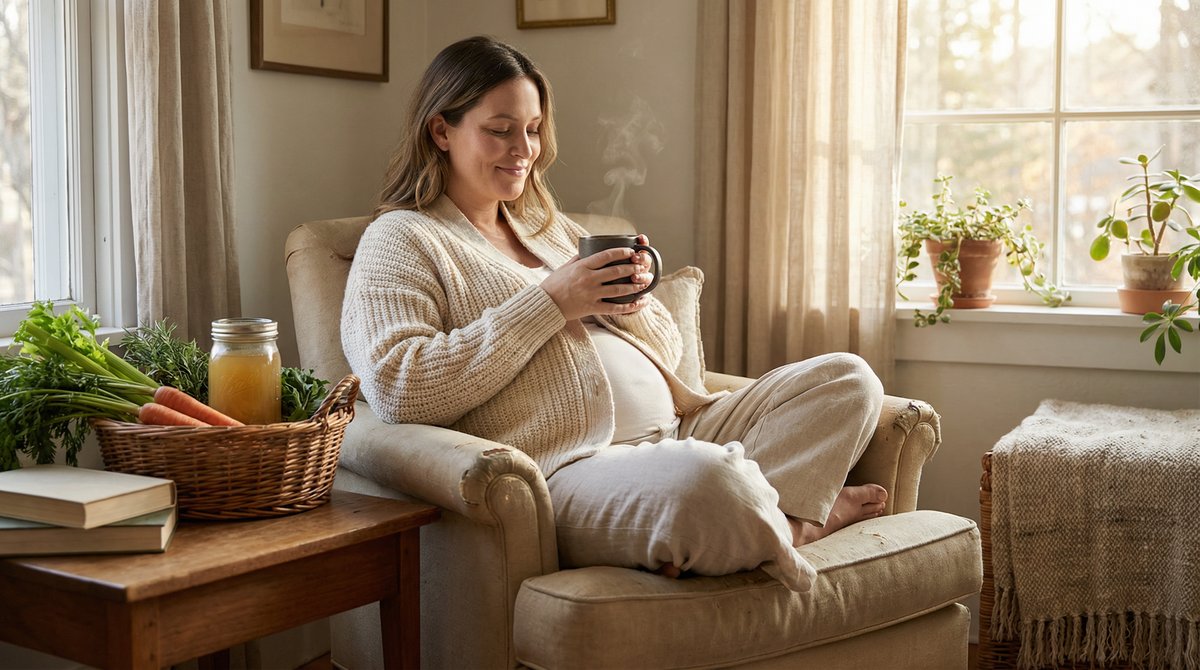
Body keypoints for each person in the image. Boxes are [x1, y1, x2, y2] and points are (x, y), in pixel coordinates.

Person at [341, 35, 887, 591]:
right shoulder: (403, 238)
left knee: (848, 378)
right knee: (706, 481)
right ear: (441, 131)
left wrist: (633, 300)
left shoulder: (550, 227)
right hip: (569, 465)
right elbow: (398, 386)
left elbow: (668, 351)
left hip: (679, 429)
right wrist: (552, 301)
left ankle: (741, 524)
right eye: (500, 130)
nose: (524, 149)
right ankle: (787, 523)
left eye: (533, 129)